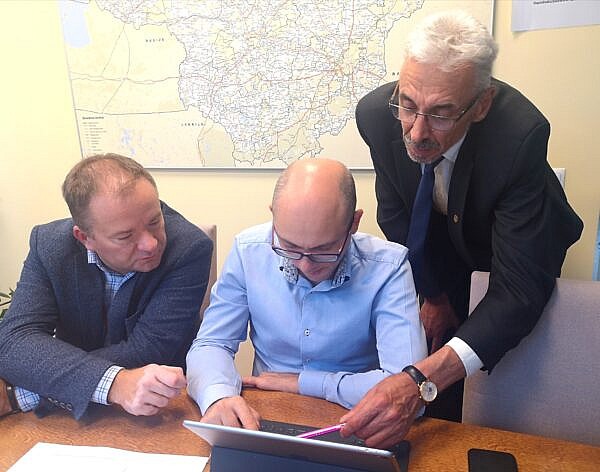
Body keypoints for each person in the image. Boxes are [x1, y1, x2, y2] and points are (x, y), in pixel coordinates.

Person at [340, 11, 583, 445]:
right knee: (435, 396)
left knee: (490, 371)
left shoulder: (518, 138)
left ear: (481, 104)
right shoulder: (377, 115)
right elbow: (397, 216)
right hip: (439, 242)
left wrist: (421, 380)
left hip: (511, 251)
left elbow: (517, 291)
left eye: (441, 114)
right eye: (408, 104)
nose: (416, 132)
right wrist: (434, 295)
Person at [186, 158, 427, 429]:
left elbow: (407, 388)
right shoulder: (248, 251)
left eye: (324, 250)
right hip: (267, 414)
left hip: (355, 419)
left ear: (354, 222)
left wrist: (307, 383)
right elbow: (211, 344)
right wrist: (218, 396)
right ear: (274, 216)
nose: (304, 264)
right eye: (289, 246)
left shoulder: (389, 267)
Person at [0, 153, 213, 420]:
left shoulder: (189, 248)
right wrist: (114, 382)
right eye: (125, 236)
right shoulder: (49, 246)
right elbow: (14, 340)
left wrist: (22, 392)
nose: (150, 244)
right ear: (84, 238)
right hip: (71, 420)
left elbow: (149, 349)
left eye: (154, 221)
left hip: (159, 409)